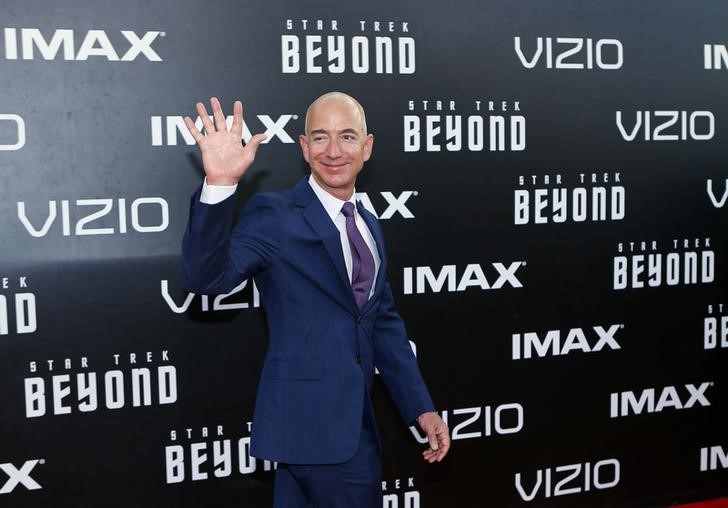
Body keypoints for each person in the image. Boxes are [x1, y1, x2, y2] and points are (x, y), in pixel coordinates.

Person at [181, 92, 450, 507]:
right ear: (304, 149)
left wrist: (420, 407)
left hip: (341, 427)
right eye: (320, 138)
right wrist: (219, 184)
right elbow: (206, 278)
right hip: (316, 430)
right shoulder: (276, 215)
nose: (334, 151)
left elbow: (382, 324)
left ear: (367, 146)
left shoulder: (367, 224)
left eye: (347, 136)